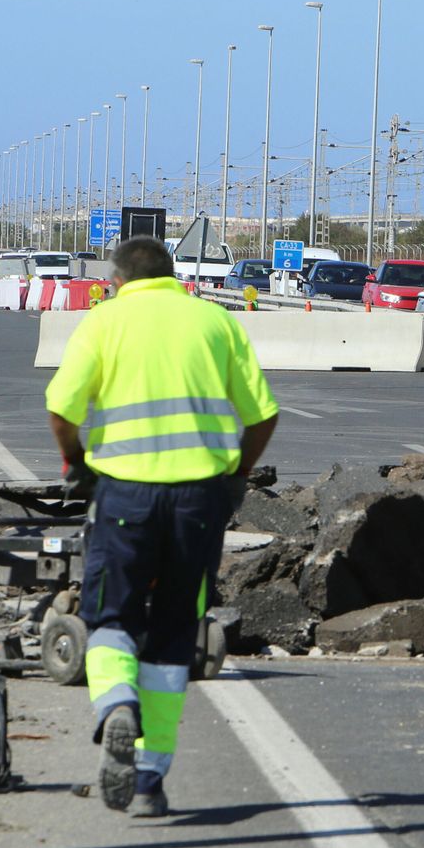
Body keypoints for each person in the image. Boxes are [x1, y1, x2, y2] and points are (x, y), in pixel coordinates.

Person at [44, 235, 279, 817]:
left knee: (110, 616)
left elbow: (62, 408)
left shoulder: (104, 322)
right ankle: (149, 780)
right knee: (176, 631)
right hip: (199, 499)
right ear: (174, 275)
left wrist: (76, 463)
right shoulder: (215, 322)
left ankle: (116, 705)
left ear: (117, 279)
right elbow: (263, 415)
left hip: (125, 496)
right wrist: (238, 474)